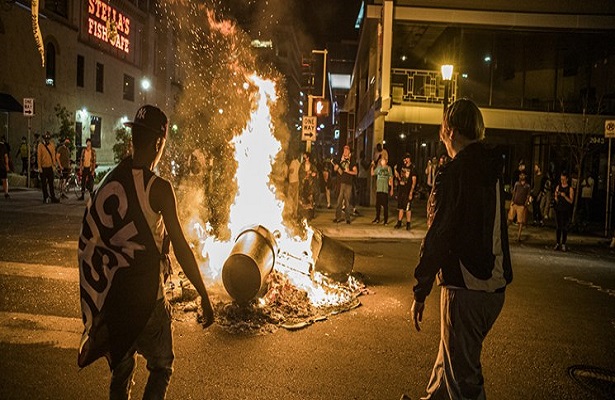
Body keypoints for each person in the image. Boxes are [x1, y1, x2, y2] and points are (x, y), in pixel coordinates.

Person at [77, 105, 214, 399]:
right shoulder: (159, 188)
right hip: (147, 300)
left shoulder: (108, 182)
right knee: (162, 366)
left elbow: (91, 242)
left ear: (132, 139)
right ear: (158, 143)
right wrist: (203, 294)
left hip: (115, 302)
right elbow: (181, 246)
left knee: (121, 371)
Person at [405, 99, 512, 400]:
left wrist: (420, 291)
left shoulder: (454, 172)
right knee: (448, 362)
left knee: (464, 381)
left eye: (442, 130)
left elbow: (439, 235)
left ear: (450, 132)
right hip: (494, 286)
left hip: (466, 287)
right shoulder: (492, 169)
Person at [333, 145, 357, 224]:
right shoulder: (340, 159)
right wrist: (336, 168)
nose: (345, 151)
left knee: (347, 201)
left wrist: (348, 171)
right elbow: (335, 168)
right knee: (339, 200)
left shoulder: (352, 160)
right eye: (344, 149)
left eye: (347, 150)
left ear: (349, 151)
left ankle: (347, 218)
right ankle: (338, 217)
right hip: (340, 182)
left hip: (348, 183)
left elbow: (355, 172)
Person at [394, 153, 417, 230]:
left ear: (409, 159)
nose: (405, 160)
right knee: (400, 207)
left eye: (406, 159)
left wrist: (411, 192)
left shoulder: (412, 168)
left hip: (408, 190)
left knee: (407, 208)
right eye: (404, 159)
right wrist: (397, 175)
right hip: (402, 190)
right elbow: (402, 179)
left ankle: (408, 223)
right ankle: (399, 222)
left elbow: (414, 181)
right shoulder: (403, 167)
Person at [553, 171, 574, 252]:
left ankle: (564, 243)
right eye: (561, 179)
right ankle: (558, 243)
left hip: (566, 210)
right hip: (558, 209)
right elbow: (555, 197)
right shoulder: (558, 187)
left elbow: (571, 201)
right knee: (558, 227)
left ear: (567, 179)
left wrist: (565, 196)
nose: (562, 181)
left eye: (564, 179)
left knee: (564, 227)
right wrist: (556, 197)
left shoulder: (570, 189)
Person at [508, 171, 531, 241]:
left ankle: (518, 236)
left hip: (521, 205)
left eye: (523, 175)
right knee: (510, 219)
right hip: (515, 203)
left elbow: (528, 195)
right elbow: (514, 192)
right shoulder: (517, 184)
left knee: (520, 222)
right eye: (521, 175)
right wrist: (512, 201)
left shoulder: (527, 186)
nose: (522, 176)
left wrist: (526, 204)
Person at [37, 132, 59, 203]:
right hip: (43, 167)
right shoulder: (40, 145)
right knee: (44, 184)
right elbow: (39, 157)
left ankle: (53, 197)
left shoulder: (52, 145)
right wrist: (39, 167)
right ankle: (45, 197)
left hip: (50, 167)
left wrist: (54, 165)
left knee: (51, 184)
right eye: (46, 138)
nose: (47, 140)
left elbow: (53, 155)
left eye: (48, 138)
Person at [370, 156, 393, 224]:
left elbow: (391, 178)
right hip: (379, 189)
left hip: (385, 189)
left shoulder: (388, 168)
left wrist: (391, 189)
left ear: (386, 161)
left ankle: (385, 220)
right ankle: (377, 218)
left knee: (385, 206)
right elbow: (372, 173)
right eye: (381, 160)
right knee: (378, 205)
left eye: (383, 160)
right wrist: (372, 166)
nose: (382, 161)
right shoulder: (379, 168)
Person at [298, 152, 318, 220]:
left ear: (308, 158)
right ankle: (303, 214)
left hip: (310, 184)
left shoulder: (312, 166)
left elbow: (316, 174)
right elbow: (300, 174)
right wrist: (305, 175)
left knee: (310, 199)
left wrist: (312, 173)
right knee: (303, 199)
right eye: (304, 158)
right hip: (303, 184)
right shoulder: (302, 166)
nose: (305, 159)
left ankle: (310, 215)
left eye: (306, 157)